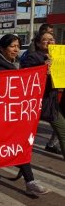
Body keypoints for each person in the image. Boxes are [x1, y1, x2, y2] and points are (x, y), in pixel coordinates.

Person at [0, 34, 51, 195]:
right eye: (13, 46)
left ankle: (30, 180)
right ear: (2, 47)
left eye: (18, 46)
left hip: (12, 114)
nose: (16, 49)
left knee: (18, 145)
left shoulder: (16, 64)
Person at [21, 32, 65, 160]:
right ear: (39, 43)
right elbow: (27, 76)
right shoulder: (33, 57)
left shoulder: (59, 56)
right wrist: (43, 68)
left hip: (52, 101)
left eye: (51, 39)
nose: (49, 41)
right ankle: (20, 161)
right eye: (45, 40)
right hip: (39, 102)